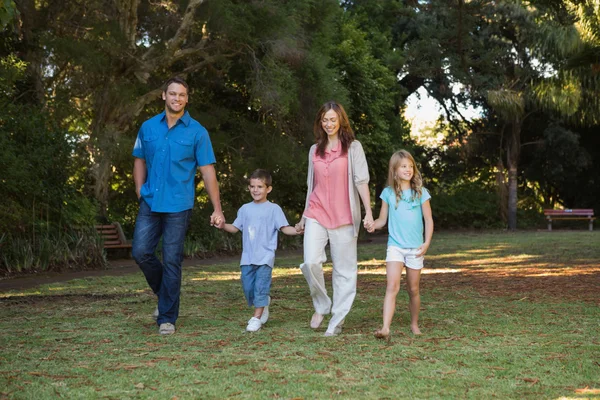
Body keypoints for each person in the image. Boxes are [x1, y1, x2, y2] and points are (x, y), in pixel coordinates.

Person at [131, 77, 224, 335]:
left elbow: (208, 172)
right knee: (140, 252)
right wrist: (139, 190)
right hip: (150, 202)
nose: (177, 98)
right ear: (163, 96)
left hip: (178, 205)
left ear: (187, 98)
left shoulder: (197, 132)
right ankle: (166, 296)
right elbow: (139, 159)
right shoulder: (148, 128)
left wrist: (217, 208)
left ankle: (167, 318)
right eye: (172, 94)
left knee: (172, 260)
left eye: (182, 95)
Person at [295, 101, 374, 337]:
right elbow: (312, 186)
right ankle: (321, 305)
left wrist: (368, 212)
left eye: (332, 119)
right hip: (317, 213)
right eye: (324, 120)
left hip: (344, 215)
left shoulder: (353, 147)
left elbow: (361, 181)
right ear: (320, 122)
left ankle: (337, 320)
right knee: (310, 262)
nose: (328, 124)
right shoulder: (314, 150)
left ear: (341, 121)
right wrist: (303, 218)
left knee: (344, 271)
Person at [214, 169, 299, 332]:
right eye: (252, 186)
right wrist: (223, 225)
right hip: (247, 258)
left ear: (268, 189)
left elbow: (285, 228)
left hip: (265, 257)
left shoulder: (274, 209)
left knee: (260, 287)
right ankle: (263, 302)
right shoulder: (245, 209)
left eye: (260, 186)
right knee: (248, 289)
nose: (255, 190)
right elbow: (235, 228)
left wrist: (298, 230)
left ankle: (256, 318)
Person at [367, 150, 433, 339]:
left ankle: (414, 324)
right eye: (404, 166)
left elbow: (428, 220)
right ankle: (385, 328)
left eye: (411, 166)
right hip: (395, 246)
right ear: (395, 171)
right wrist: (372, 225)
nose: (408, 169)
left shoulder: (421, 193)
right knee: (392, 286)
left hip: (416, 248)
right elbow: (382, 220)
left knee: (413, 289)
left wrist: (426, 243)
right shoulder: (388, 193)